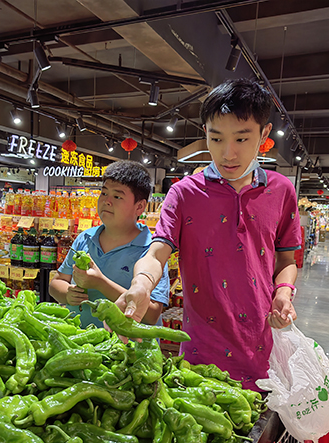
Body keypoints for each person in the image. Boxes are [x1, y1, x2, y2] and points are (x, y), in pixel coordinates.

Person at [115, 78, 302, 390]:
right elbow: (157, 251)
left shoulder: (281, 190)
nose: (227, 154)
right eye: (216, 139)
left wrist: (283, 292)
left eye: (242, 139)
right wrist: (141, 285)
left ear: (263, 134)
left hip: (263, 345)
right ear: (205, 134)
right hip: (199, 351)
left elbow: (287, 258)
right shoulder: (183, 194)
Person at [49, 160, 169, 328]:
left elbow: (152, 314)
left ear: (140, 206)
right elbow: (57, 282)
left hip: (126, 349)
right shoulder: (85, 238)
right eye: (104, 193)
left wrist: (100, 283)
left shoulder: (152, 250)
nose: (107, 201)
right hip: (80, 343)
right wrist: (67, 294)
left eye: (117, 196)